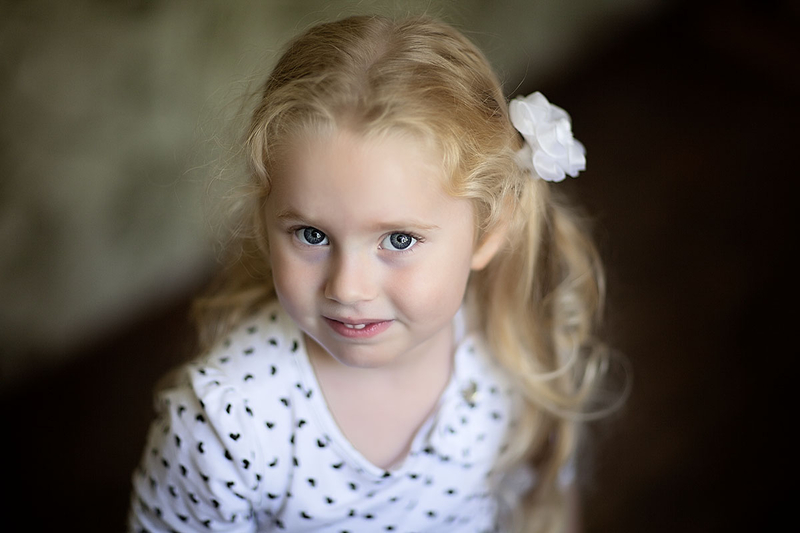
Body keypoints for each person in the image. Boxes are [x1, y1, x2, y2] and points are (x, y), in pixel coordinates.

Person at [129, 14, 618, 533]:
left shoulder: (509, 347)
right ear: (264, 221)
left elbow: (544, 502)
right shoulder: (224, 426)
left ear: (488, 232)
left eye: (399, 240)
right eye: (311, 235)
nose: (347, 288)